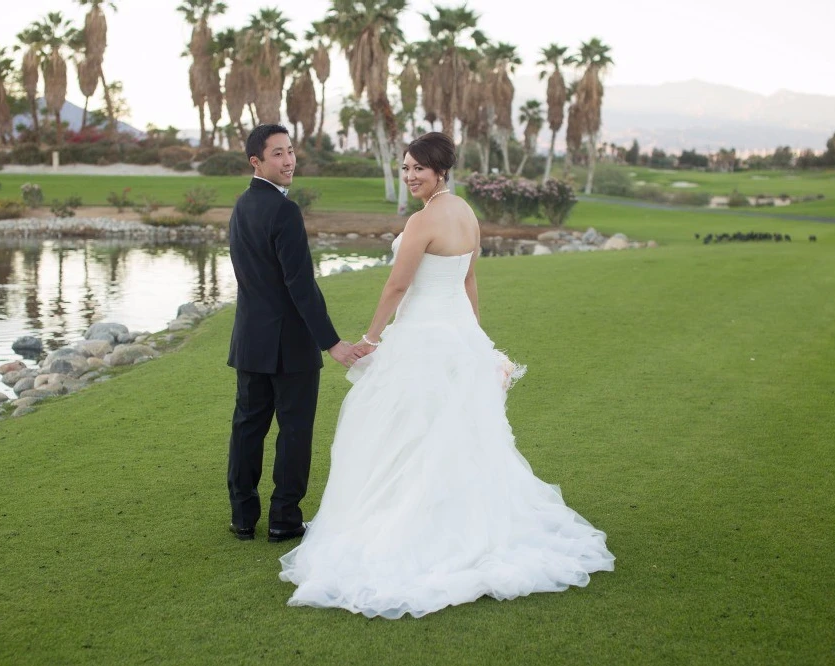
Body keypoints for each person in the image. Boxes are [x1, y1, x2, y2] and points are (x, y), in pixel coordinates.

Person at [278, 132, 614, 618]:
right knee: (452, 434)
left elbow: (397, 285)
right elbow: (468, 278)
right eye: (407, 167)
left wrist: (371, 339)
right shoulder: (466, 213)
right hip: (455, 336)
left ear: (440, 171)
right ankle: (455, 519)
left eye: (419, 169)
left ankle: (411, 529)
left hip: (422, 338)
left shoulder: (423, 219)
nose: (411, 176)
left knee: (408, 431)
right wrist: (475, 337)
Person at [227, 124, 363, 544]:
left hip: (250, 340)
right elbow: (299, 284)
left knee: (248, 428)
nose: (289, 161)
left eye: (290, 152)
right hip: (289, 345)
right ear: (257, 162)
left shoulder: (241, 206)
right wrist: (332, 342)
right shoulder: (284, 211)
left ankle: (243, 518)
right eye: (278, 154)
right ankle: (285, 519)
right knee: (294, 430)